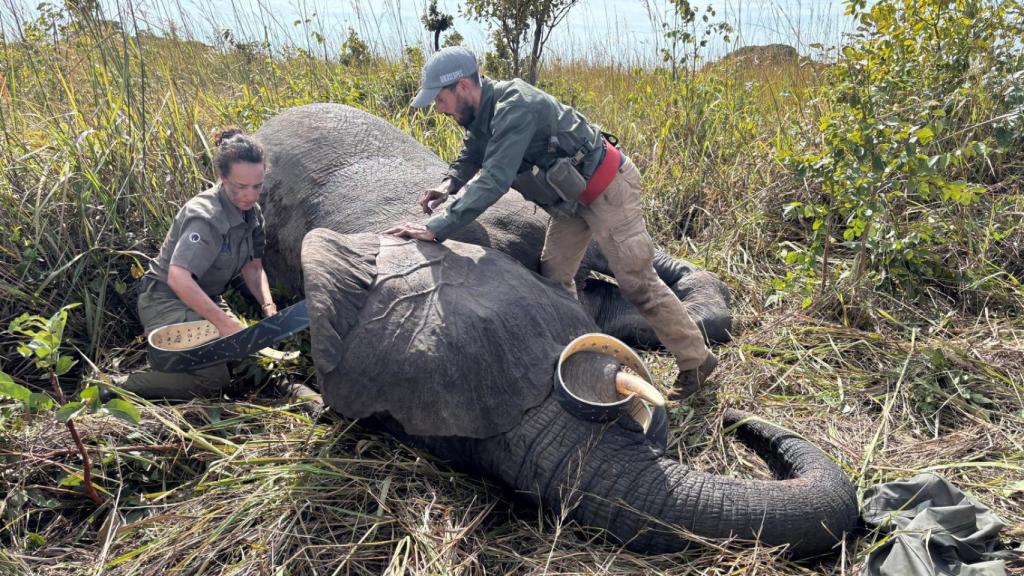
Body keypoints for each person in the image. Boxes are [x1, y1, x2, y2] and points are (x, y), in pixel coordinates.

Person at [384, 47, 717, 396]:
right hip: (571, 204)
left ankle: (696, 361)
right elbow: (473, 153)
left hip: (608, 190)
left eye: (440, 100)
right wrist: (447, 184)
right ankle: (586, 358)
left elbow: (494, 179)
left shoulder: (516, 106)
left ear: (463, 87)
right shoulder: (482, 114)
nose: (438, 109)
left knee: (638, 282)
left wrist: (436, 227)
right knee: (555, 277)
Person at [120, 127, 278, 399]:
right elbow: (178, 278)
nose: (250, 196)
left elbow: (253, 267)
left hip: (206, 297)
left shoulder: (252, 213)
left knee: (250, 357)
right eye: (241, 187)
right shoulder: (205, 217)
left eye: (257, 186)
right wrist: (225, 325)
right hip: (165, 299)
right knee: (211, 380)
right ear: (223, 177)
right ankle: (114, 385)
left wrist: (269, 307)